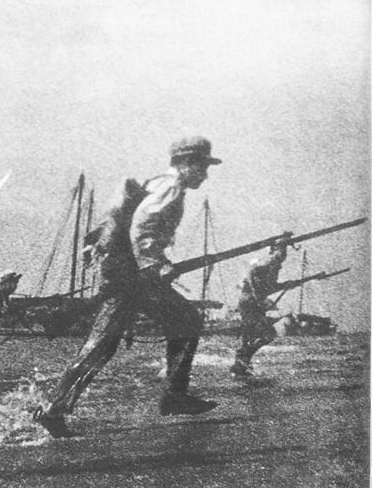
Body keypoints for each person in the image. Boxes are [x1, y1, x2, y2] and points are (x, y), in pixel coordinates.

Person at [33, 136, 222, 438]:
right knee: (185, 320)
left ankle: (54, 409)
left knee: (106, 343)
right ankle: (173, 395)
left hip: (123, 270)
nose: (205, 175)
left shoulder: (157, 183)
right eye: (202, 166)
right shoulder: (171, 187)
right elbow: (143, 226)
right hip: (131, 274)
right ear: (186, 163)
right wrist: (154, 265)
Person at [230, 242, 288, 378]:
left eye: (285, 251)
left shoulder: (274, 265)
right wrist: (256, 293)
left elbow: (268, 287)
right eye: (282, 250)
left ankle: (241, 365)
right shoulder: (270, 261)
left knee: (251, 335)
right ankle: (242, 360)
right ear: (273, 250)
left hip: (252, 303)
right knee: (267, 333)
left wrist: (287, 284)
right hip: (250, 302)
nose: (284, 254)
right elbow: (251, 270)